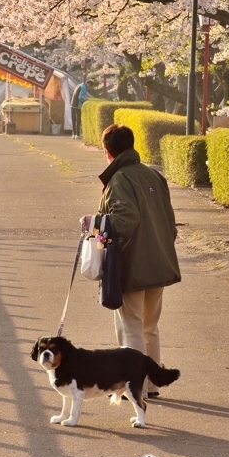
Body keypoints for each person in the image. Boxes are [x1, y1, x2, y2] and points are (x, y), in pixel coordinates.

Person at [82, 123, 180, 397]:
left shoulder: (120, 180)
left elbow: (124, 221)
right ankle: (151, 383)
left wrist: (94, 222)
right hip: (159, 262)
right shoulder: (153, 175)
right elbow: (170, 223)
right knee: (150, 326)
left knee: (131, 326)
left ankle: (135, 386)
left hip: (132, 265)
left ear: (108, 151)